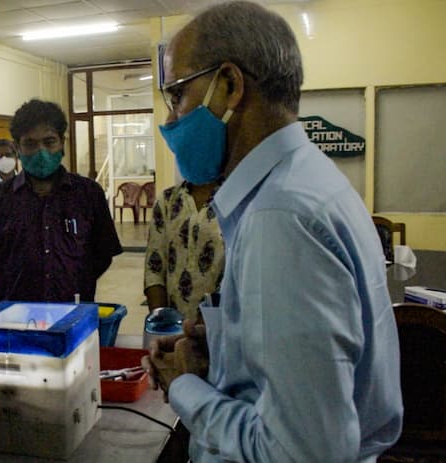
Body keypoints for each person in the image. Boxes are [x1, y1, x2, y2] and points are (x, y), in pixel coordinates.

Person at [145, 2, 403, 461]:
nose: (170, 120)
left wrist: (182, 385)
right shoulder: (305, 182)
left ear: (229, 85)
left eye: (178, 94)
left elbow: (300, 451)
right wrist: (226, 350)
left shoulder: (280, 217)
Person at [0, 99, 122, 302]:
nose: (41, 152)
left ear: (62, 144)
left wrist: (75, 281)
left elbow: (103, 256)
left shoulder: (89, 194)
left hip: (74, 315)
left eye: (49, 142)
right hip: (15, 318)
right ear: (18, 148)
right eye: (30, 144)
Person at [143, 180, 224, 320]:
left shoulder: (237, 201)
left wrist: (206, 328)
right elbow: (154, 271)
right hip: (173, 328)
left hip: (219, 327)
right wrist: (162, 323)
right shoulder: (168, 200)